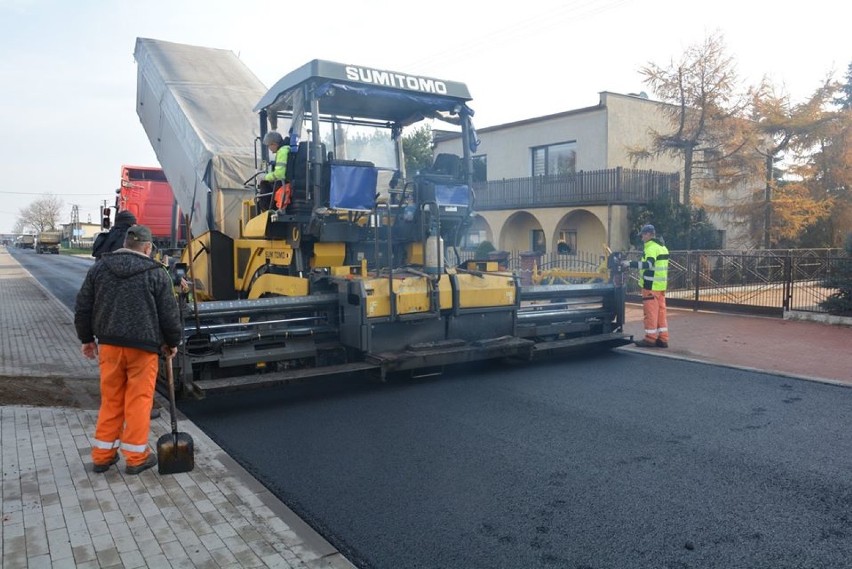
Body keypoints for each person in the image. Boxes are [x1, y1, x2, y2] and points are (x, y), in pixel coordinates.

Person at [74, 225, 182, 475]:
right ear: (147, 247)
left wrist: (86, 339)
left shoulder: (99, 268)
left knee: (111, 400)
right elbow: (169, 314)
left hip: (110, 346)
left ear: (124, 243)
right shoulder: (156, 272)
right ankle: (136, 457)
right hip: (143, 350)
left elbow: (83, 307)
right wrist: (172, 342)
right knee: (138, 401)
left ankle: (102, 456)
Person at [622, 224, 670, 348]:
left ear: (649, 234)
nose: (642, 237)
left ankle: (650, 339)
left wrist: (629, 263)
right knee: (661, 313)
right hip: (661, 286)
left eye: (643, 235)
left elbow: (648, 264)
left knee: (650, 313)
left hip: (650, 286)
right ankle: (663, 339)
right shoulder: (663, 247)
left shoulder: (651, 248)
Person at [258, 131, 291, 211]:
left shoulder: (282, 152)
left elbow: (279, 174)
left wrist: (264, 177)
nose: (269, 148)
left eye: (269, 145)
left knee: (264, 184)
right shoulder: (287, 148)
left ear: (274, 144)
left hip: (284, 183)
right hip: (287, 181)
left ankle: (267, 208)